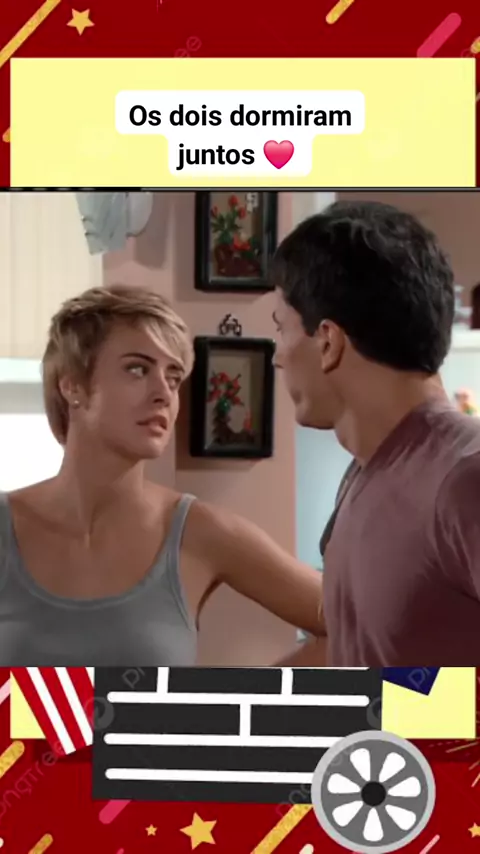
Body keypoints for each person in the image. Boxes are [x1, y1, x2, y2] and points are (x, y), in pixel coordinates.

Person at [0, 284, 325, 665]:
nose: (163, 394)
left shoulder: (200, 532)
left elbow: (361, 622)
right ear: (73, 385)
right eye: (137, 369)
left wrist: (238, 697)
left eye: (173, 377)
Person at [271, 199, 480, 666]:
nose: (278, 356)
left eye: (281, 330)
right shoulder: (363, 474)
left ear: (328, 341)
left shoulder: (465, 477)